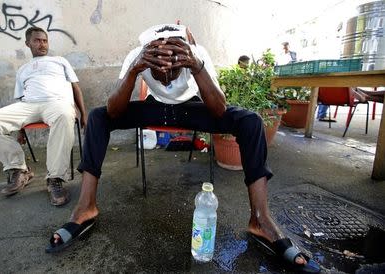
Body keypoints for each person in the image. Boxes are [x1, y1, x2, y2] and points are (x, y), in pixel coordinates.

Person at [46, 24, 320, 273]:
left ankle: (260, 219)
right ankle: (85, 207)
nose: (164, 76)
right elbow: (114, 111)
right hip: (154, 109)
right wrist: (134, 71)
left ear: (183, 57)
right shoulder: (137, 56)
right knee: (97, 116)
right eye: (157, 69)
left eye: (172, 68)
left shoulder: (196, 53)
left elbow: (219, 109)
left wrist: (198, 67)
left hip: (191, 108)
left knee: (250, 121)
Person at [0, 26, 87, 206]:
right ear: (28, 43)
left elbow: (75, 87)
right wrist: (20, 130)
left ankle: (55, 179)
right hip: (28, 105)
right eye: (37, 40)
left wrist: (84, 113)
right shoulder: (23, 69)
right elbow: (20, 98)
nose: (42, 44)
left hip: (57, 103)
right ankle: (19, 169)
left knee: (64, 115)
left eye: (45, 40)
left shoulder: (60, 61)